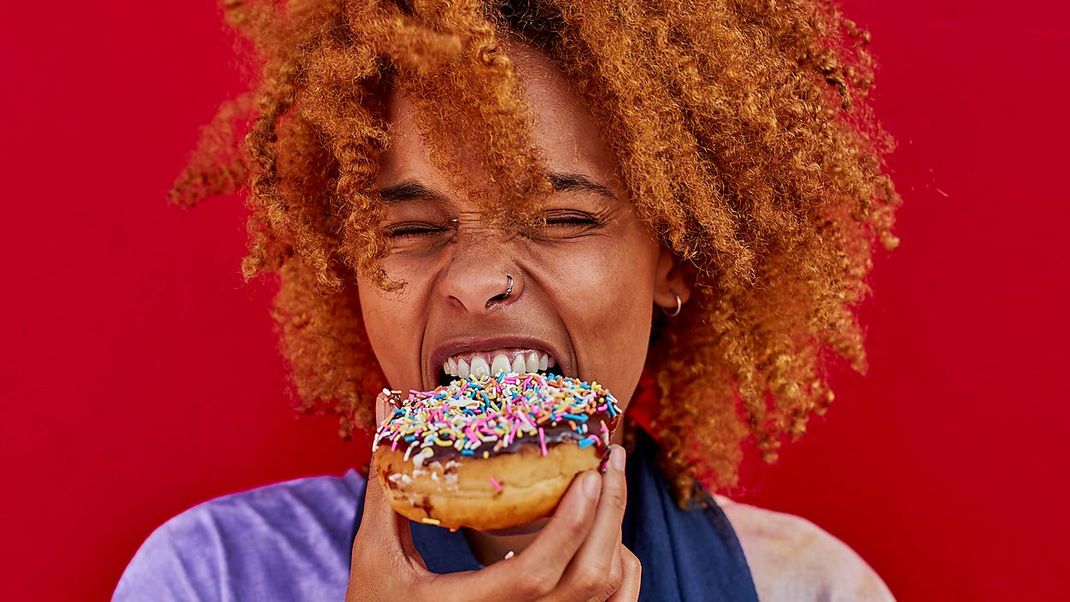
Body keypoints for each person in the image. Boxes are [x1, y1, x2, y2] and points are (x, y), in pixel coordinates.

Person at [114, 0, 900, 599]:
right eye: (413, 227)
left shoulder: (813, 586)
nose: (477, 280)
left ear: (674, 260)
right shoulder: (208, 576)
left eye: (562, 219)